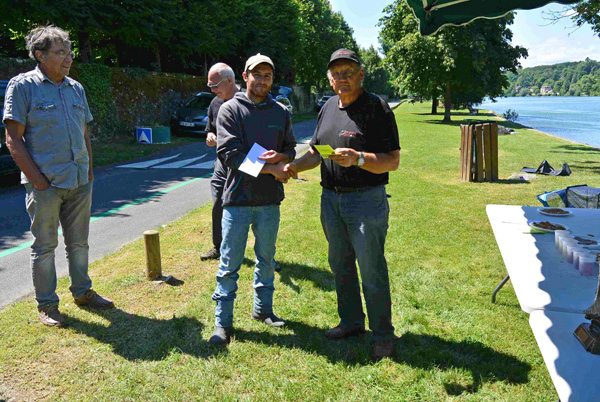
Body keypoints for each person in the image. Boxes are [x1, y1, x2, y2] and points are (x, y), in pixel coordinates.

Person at [284, 48, 400, 360]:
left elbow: (392, 161)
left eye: (348, 72)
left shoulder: (377, 108)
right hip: (330, 200)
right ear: (330, 79)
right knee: (340, 264)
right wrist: (293, 167)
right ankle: (351, 322)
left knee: (371, 268)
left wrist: (360, 159)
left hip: (366, 201)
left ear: (361, 74)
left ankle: (383, 335)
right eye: (337, 73)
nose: (342, 78)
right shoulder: (327, 109)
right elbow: (316, 152)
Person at [2, 25, 114, 328]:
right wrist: (37, 181)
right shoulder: (22, 86)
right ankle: (48, 305)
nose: (68, 58)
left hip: (79, 181)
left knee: (80, 243)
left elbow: (84, 132)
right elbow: (13, 139)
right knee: (44, 246)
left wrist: (89, 169)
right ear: (40, 55)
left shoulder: (76, 88)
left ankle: (83, 292)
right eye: (60, 52)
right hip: (46, 185)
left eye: (70, 52)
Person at [209, 54, 296, 344]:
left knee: (266, 259)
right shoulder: (229, 110)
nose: (262, 80)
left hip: (269, 200)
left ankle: (263, 310)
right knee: (229, 263)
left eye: (267, 76)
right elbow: (230, 155)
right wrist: (272, 169)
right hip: (236, 200)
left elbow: (290, 147)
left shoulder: (281, 112)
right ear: (245, 77)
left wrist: (283, 158)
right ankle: (223, 324)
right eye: (256, 74)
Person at [200, 62, 283, 272]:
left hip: (244, 161)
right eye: (210, 86)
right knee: (219, 202)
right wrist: (210, 135)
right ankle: (219, 247)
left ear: (231, 80)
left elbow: (269, 141)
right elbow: (210, 129)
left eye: (215, 85)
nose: (212, 90)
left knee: (257, 207)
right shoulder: (216, 104)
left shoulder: (253, 103)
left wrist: (275, 164)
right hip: (223, 163)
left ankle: (266, 256)